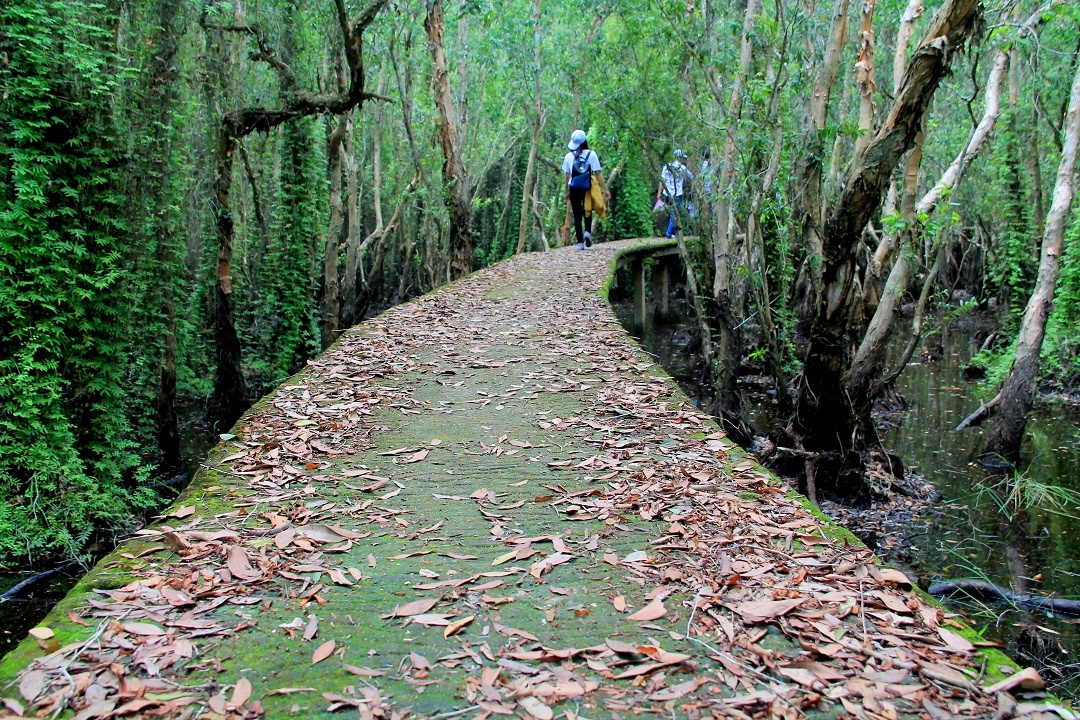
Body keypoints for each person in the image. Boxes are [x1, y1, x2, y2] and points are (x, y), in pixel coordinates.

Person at [563, 129, 610, 250]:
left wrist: (567, 191)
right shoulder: (591, 154)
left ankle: (579, 243)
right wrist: (605, 189)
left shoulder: (568, 156)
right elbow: (598, 173)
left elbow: (568, 176)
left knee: (577, 214)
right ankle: (587, 232)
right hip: (587, 187)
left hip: (573, 187)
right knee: (587, 210)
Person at [657, 149, 692, 238]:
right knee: (674, 213)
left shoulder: (666, 166)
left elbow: (662, 180)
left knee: (670, 212)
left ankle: (671, 232)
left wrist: (659, 193)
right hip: (677, 194)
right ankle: (669, 233)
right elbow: (691, 177)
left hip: (667, 193)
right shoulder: (682, 168)